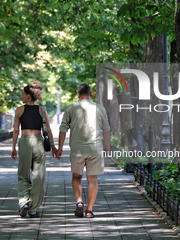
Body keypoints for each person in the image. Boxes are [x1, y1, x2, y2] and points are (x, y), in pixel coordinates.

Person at [56, 83, 110, 218]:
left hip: (77, 150)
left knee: (76, 177)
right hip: (95, 149)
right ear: (91, 94)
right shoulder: (100, 108)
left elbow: (62, 129)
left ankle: (79, 201)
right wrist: (107, 145)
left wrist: (60, 148)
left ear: (78, 95)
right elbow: (106, 129)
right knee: (93, 179)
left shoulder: (71, 108)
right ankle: (89, 210)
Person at [11, 81, 57, 218]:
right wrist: (53, 147)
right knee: (39, 177)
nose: (21, 96)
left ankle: (24, 202)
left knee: (23, 175)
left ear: (28, 96)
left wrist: (13, 147)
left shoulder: (19, 110)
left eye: (23, 94)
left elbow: (15, 131)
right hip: (38, 142)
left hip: (25, 142)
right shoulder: (42, 110)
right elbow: (48, 129)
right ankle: (33, 209)